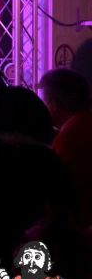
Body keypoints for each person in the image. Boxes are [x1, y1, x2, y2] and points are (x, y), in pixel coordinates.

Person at [40, 68, 92, 224]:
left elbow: (55, 188)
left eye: (44, 101)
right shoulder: (85, 123)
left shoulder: (69, 136)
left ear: (54, 104)